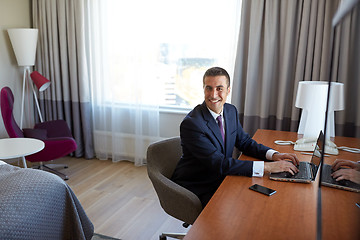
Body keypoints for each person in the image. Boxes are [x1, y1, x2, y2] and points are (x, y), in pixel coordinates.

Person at [171, 67, 299, 207]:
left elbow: (244, 142)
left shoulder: (230, 110)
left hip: (223, 175)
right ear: (203, 89)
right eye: (209, 88)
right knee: (243, 212)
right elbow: (219, 164)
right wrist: (268, 167)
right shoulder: (192, 124)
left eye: (219, 88)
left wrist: (274, 155)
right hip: (199, 184)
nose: (213, 95)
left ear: (228, 90)